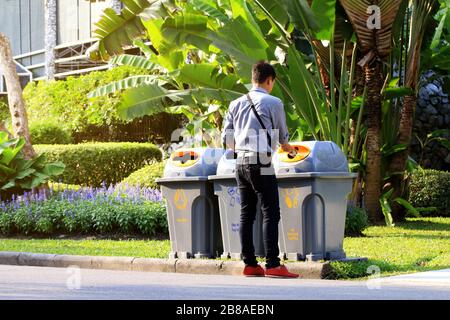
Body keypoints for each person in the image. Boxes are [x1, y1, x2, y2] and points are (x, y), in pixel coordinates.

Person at [222, 61, 300, 278]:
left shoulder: (235, 103)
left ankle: (250, 264)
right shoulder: (273, 102)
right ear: (269, 80)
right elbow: (282, 137)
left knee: (247, 213)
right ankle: (273, 264)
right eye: (273, 82)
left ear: (253, 78)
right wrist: (290, 150)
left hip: (240, 164)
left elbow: (226, 138)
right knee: (271, 212)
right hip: (262, 163)